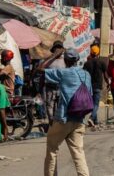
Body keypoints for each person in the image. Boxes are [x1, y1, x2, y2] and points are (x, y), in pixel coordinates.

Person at [38, 47, 91, 176]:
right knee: (78, 153)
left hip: (64, 118)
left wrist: (54, 55)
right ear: (77, 60)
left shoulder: (64, 73)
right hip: (80, 119)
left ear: (65, 60)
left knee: (52, 148)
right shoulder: (86, 74)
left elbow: (40, 69)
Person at [83, 45, 108, 126]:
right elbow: (105, 75)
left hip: (89, 86)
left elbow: (83, 74)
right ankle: (91, 118)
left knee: (92, 104)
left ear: (91, 52)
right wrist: (108, 83)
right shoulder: (101, 62)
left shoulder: (87, 63)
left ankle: (95, 121)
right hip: (98, 86)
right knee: (96, 104)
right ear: (98, 53)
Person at [42, 41, 66, 123]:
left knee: (60, 107)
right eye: (56, 48)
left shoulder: (65, 61)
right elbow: (41, 72)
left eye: (59, 48)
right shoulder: (48, 61)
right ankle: (51, 123)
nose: (58, 50)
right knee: (49, 106)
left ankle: (58, 123)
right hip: (50, 87)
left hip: (61, 87)